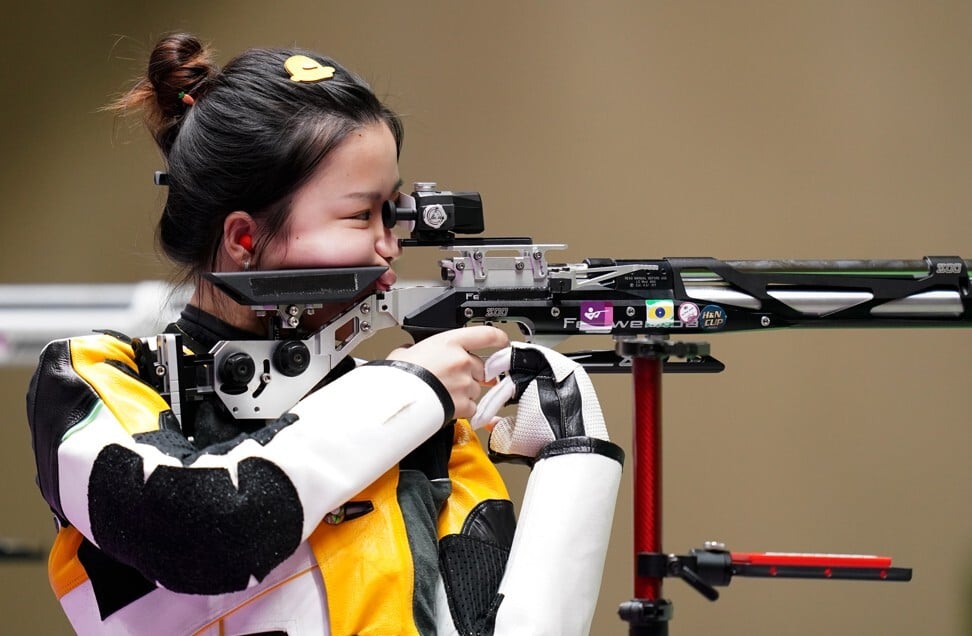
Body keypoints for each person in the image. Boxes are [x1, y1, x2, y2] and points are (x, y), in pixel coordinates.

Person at [26, 32, 624, 636]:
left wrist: (573, 452)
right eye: (361, 215)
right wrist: (411, 392)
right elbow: (205, 529)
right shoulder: (94, 378)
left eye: (392, 213)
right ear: (242, 240)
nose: (388, 246)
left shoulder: (416, 415)